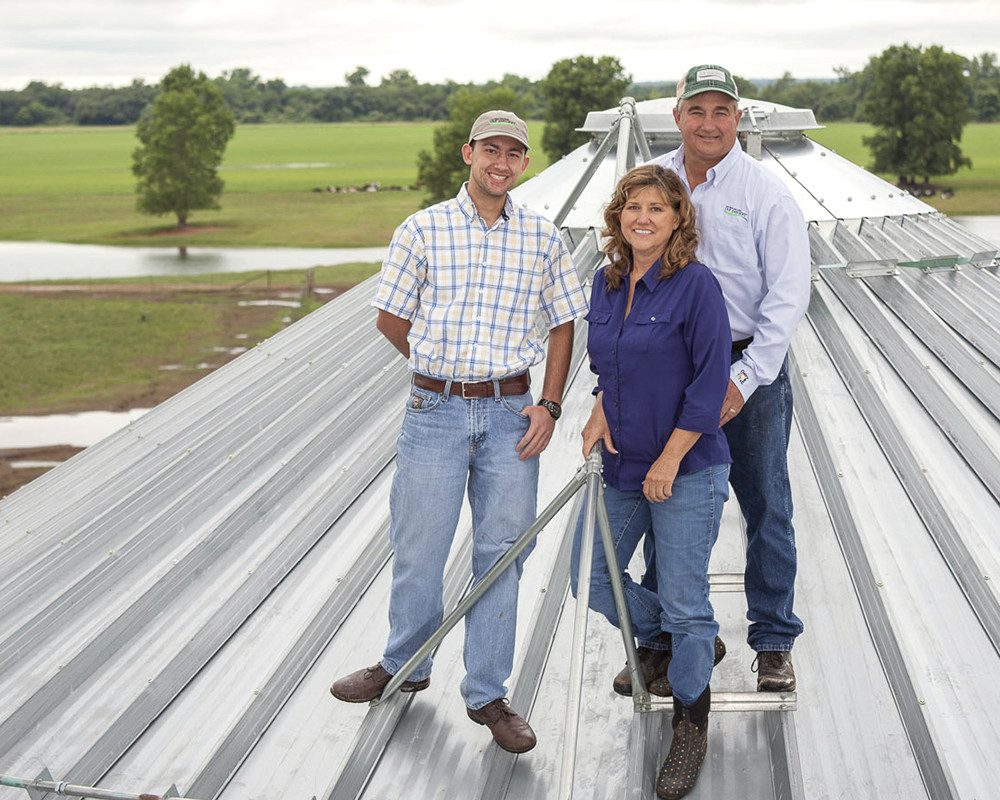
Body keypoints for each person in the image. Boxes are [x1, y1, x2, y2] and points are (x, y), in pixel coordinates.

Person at [330, 110, 589, 754]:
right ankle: (404, 666)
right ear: (468, 153)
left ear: (524, 164)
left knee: (503, 550)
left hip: (510, 414)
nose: (500, 163)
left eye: (514, 154)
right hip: (434, 411)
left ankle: (488, 694)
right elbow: (392, 318)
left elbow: (563, 323)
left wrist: (549, 404)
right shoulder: (422, 229)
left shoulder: (541, 236)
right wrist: (438, 367)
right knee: (420, 543)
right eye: (490, 150)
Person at [571, 164, 732, 800]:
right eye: (633, 206)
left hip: (686, 466)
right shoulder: (605, 283)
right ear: (618, 216)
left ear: (677, 220)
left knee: (689, 595)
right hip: (622, 462)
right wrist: (598, 407)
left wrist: (668, 461)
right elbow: (609, 364)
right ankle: (675, 637)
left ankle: (690, 717)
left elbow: (708, 384)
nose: (643, 217)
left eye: (658, 208)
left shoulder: (696, 286)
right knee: (591, 571)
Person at [650, 65, 812, 691]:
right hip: (673, 369)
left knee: (766, 501)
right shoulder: (655, 184)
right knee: (666, 497)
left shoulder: (766, 194)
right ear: (679, 117)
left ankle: (772, 641)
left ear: (738, 119)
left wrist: (743, 378)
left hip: (751, 369)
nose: (709, 123)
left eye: (722, 111)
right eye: (698, 110)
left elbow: (787, 297)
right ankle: (671, 637)